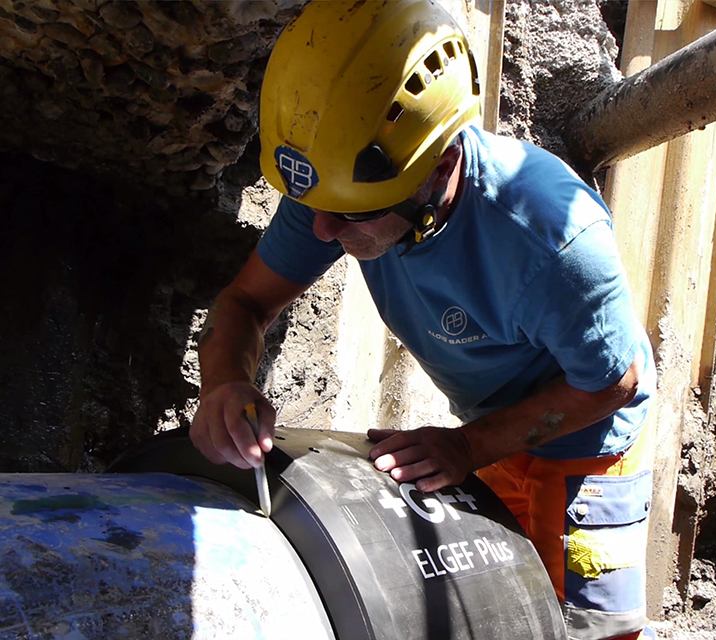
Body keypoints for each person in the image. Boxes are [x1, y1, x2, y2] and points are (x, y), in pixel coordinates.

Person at [189, 2, 657, 639]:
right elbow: (243, 305)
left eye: (351, 214)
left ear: (438, 166)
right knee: (504, 616)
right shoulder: (339, 186)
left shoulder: (551, 240)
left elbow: (613, 381)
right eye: (315, 206)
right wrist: (223, 384)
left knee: (585, 630)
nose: (322, 230)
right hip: (486, 422)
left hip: (586, 438)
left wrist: (466, 447)